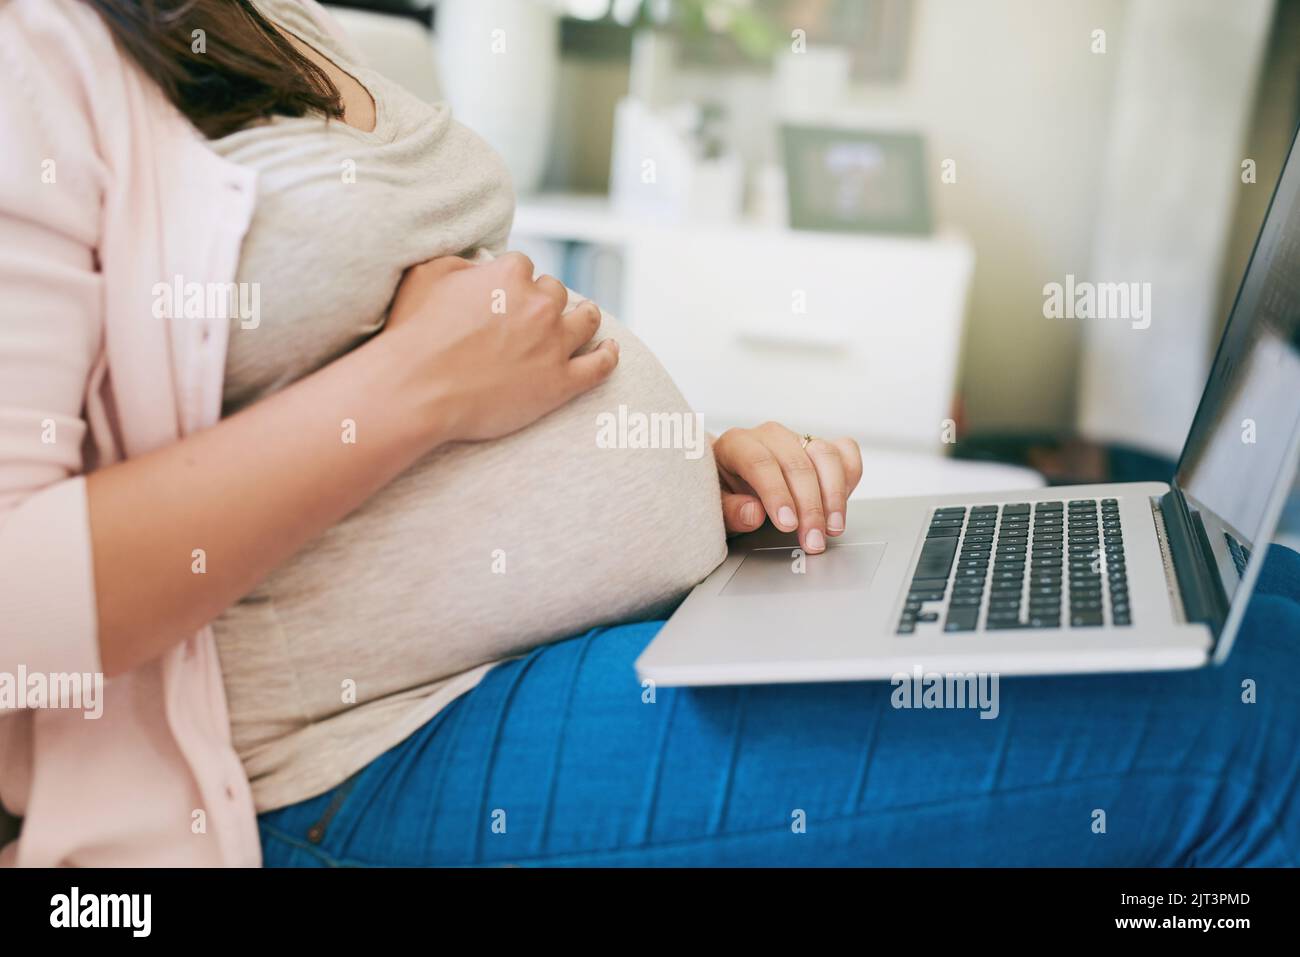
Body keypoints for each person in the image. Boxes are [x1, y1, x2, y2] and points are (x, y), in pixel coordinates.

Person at [0, 0, 1295, 867]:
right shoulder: (31, 53)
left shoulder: (260, 19)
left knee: (1262, 607)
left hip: (605, 626)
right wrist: (416, 392)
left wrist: (682, 462)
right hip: (363, 754)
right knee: (1248, 733)